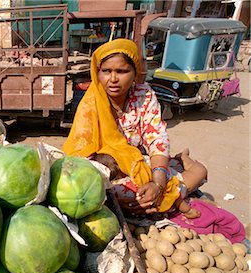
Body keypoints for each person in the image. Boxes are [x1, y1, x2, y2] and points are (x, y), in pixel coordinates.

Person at [62, 38, 207, 218]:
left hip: (136, 164)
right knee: (127, 196)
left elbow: (157, 139)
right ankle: (165, 191)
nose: (113, 79)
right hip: (106, 172)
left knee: (200, 172)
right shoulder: (90, 103)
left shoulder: (144, 95)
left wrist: (158, 185)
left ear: (134, 72)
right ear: (97, 73)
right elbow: (79, 156)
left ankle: (178, 164)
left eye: (122, 71)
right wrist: (109, 197)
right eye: (106, 71)